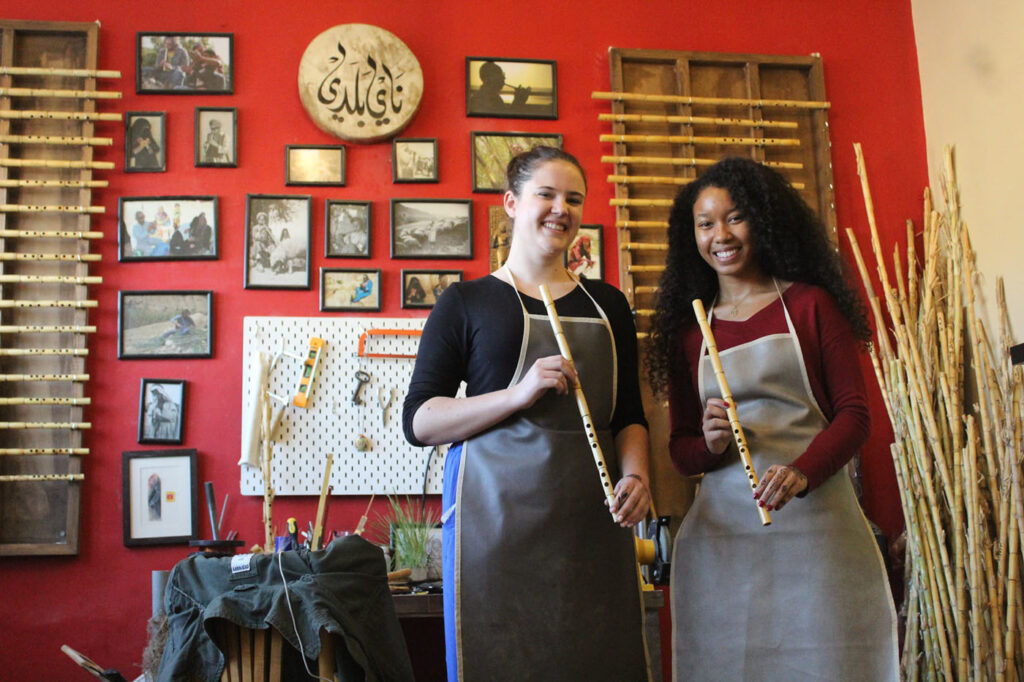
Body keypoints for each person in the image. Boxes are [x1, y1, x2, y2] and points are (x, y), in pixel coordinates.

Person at [403, 146, 652, 680]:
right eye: (546, 194)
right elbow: (420, 421)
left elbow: (629, 412)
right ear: (512, 203)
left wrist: (637, 474)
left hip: (594, 522)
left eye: (574, 198)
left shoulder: (608, 305)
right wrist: (517, 394)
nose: (561, 208)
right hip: (493, 529)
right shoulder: (465, 302)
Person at [645, 157, 898, 680]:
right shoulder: (691, 331)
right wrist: (711, 444)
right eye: (706, 223)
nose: (721, 235)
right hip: (726, 540)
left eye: (735, 217)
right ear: (690, 235)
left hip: (820, 529)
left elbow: (855, 416)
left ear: (762, 219)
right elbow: (683, 449)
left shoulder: (811, 305)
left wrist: (802, 470)